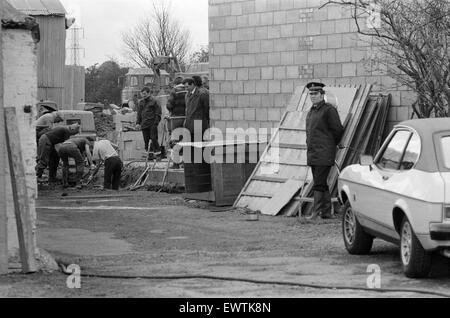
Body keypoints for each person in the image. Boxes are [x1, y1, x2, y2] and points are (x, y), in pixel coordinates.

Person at [305, 82, 344, 219]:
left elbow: (338, 129)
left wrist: (332, 144)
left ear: (322, 95)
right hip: (313, 152)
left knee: (319, 183)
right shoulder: (312, 111)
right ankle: (326, 213)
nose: (313, 96)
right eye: (311, 94)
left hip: (324, 152)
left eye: (315, 94)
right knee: (321, 182)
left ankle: (316, 213)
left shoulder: (328, 110)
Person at [136, 86, 162, 157]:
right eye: (142, 94)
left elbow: (158, 113)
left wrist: (155, 123)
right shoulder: (141, 102)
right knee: (146, 140)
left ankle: (158, 155)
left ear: (149, 93)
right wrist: (138, 123)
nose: (143, 95)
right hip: (144, 124)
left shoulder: (155, 101)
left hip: (152, 124)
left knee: (153, 139)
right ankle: (150, 156)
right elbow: (139, 114)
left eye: (144, 94)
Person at [183, 76, 210, 142]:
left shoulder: (202, 94)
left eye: (187, 87)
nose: (186, 89)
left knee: (199, 146)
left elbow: (207, 109)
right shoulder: (187, 95)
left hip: (199, 124)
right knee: (191, 145)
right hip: (189, 124)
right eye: (185, 87)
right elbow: (188, 110)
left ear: (192, 84)